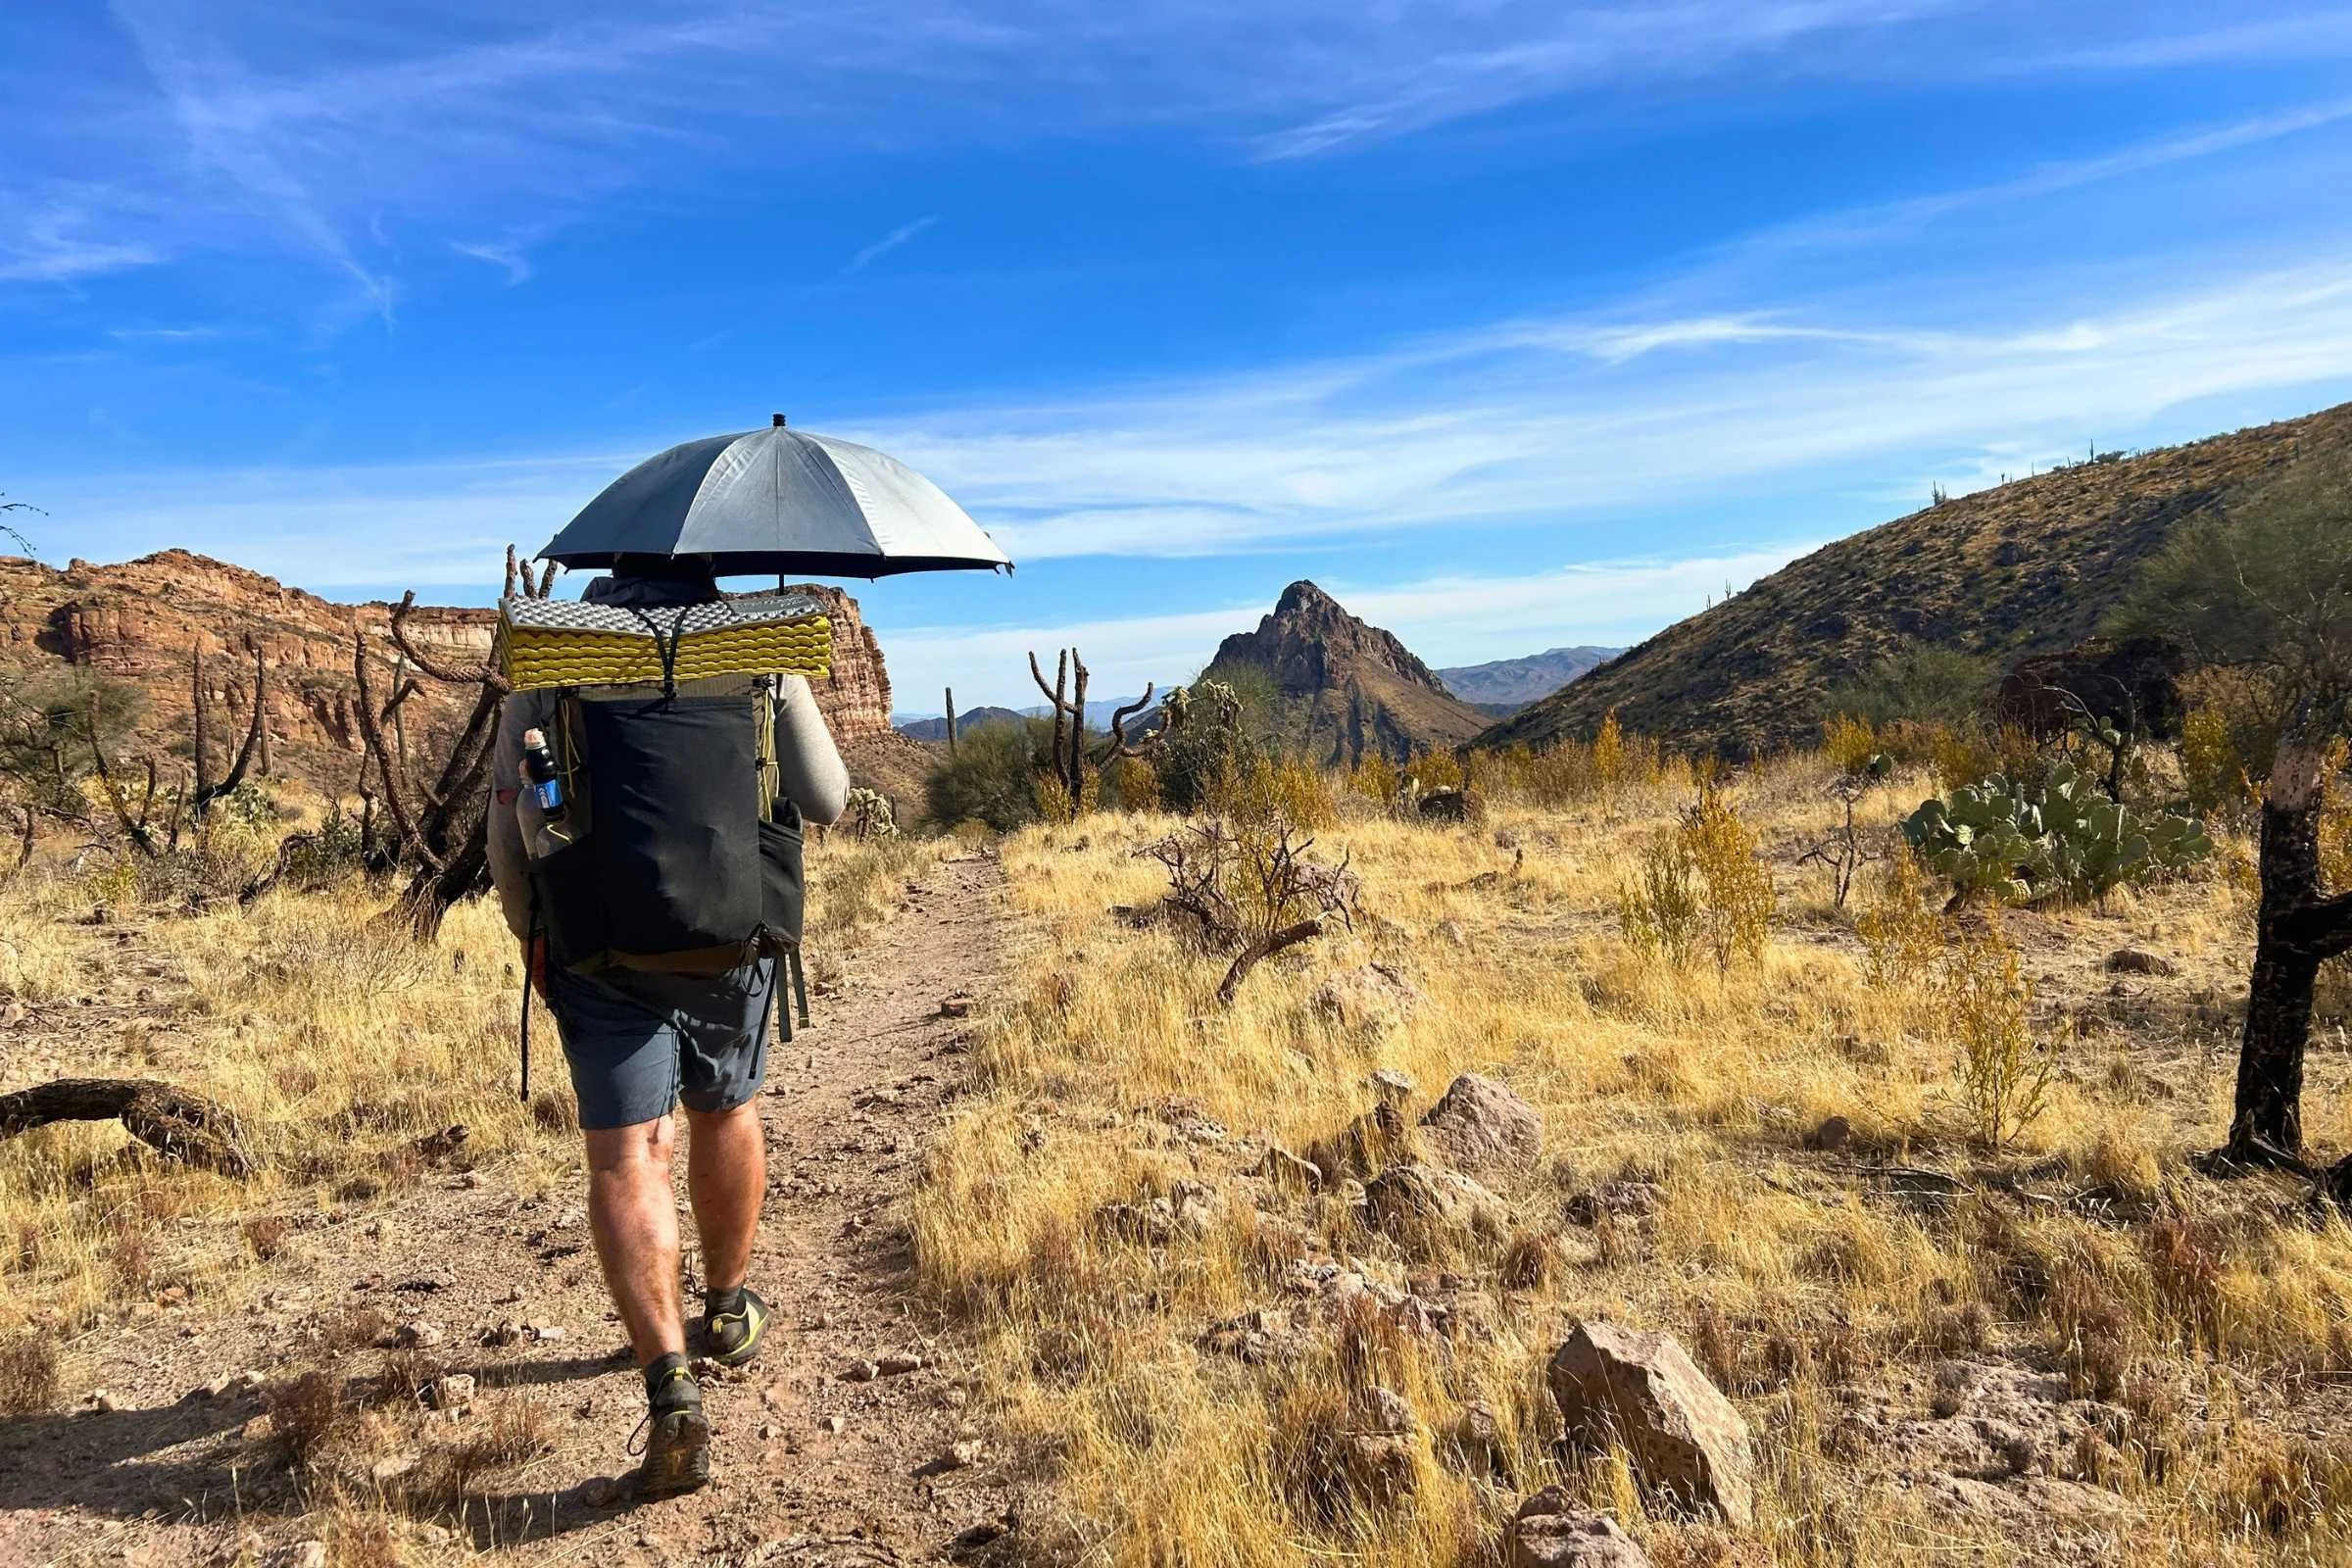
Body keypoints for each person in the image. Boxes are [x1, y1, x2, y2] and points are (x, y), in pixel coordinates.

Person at [486, 556, 848, 1495]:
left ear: (611, 559)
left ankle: (671, 1387)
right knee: (725, 1114)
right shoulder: (760, 646)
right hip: (733, 935)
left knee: (625, 1158)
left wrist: (529, 926)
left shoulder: (553, 644)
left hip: (597, 939)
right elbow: (828, 798)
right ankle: (726, 1308)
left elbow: (505, 813)